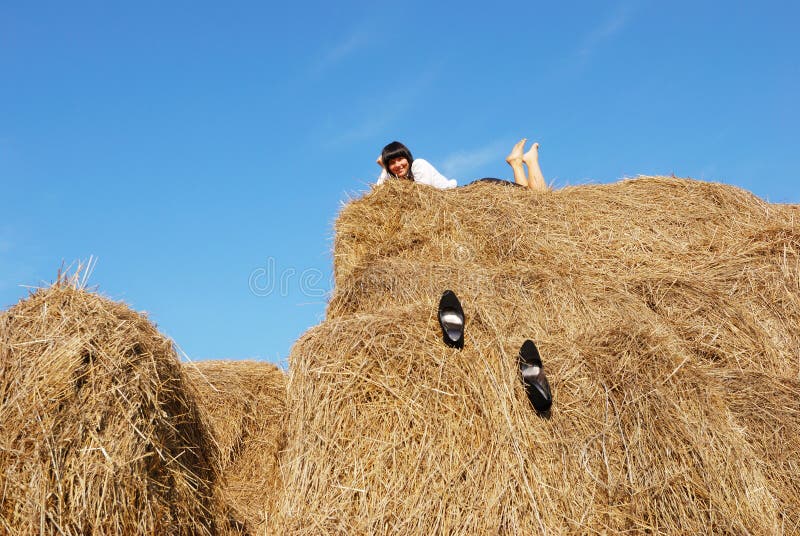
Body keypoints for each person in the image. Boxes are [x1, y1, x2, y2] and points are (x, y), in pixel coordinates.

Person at [376, 139, 548, 192]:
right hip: (471, 194)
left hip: (477, 190)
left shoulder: (418, 165)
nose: (397, 165)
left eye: (400, 159)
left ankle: (531, 160)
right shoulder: (403, 181)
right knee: (526, 198)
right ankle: (517, 163)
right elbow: (378, 197)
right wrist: (384, 169)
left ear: (407, 157)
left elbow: (423, 195)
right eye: (391, 163)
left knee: (536, 197)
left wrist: (385, 167)